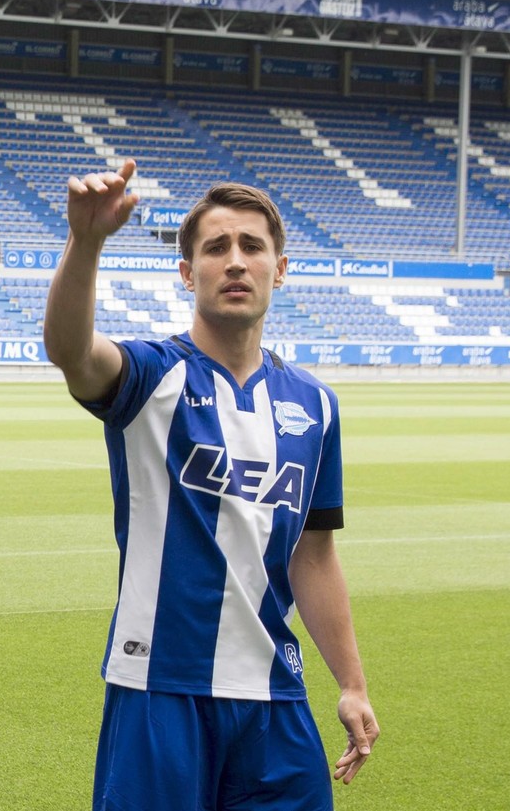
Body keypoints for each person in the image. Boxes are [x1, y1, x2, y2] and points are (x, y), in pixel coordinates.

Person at [45, 159, 379, 811]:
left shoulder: (316, 404)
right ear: (186, 272)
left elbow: (314, 553)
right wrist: (85, 243)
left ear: (278, 268)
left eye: (252, 246)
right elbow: (73, 351)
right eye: (215, 247)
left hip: (273, 699)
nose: (235, 261)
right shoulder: (151, 376)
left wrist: (352, 682)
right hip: (159, 687)